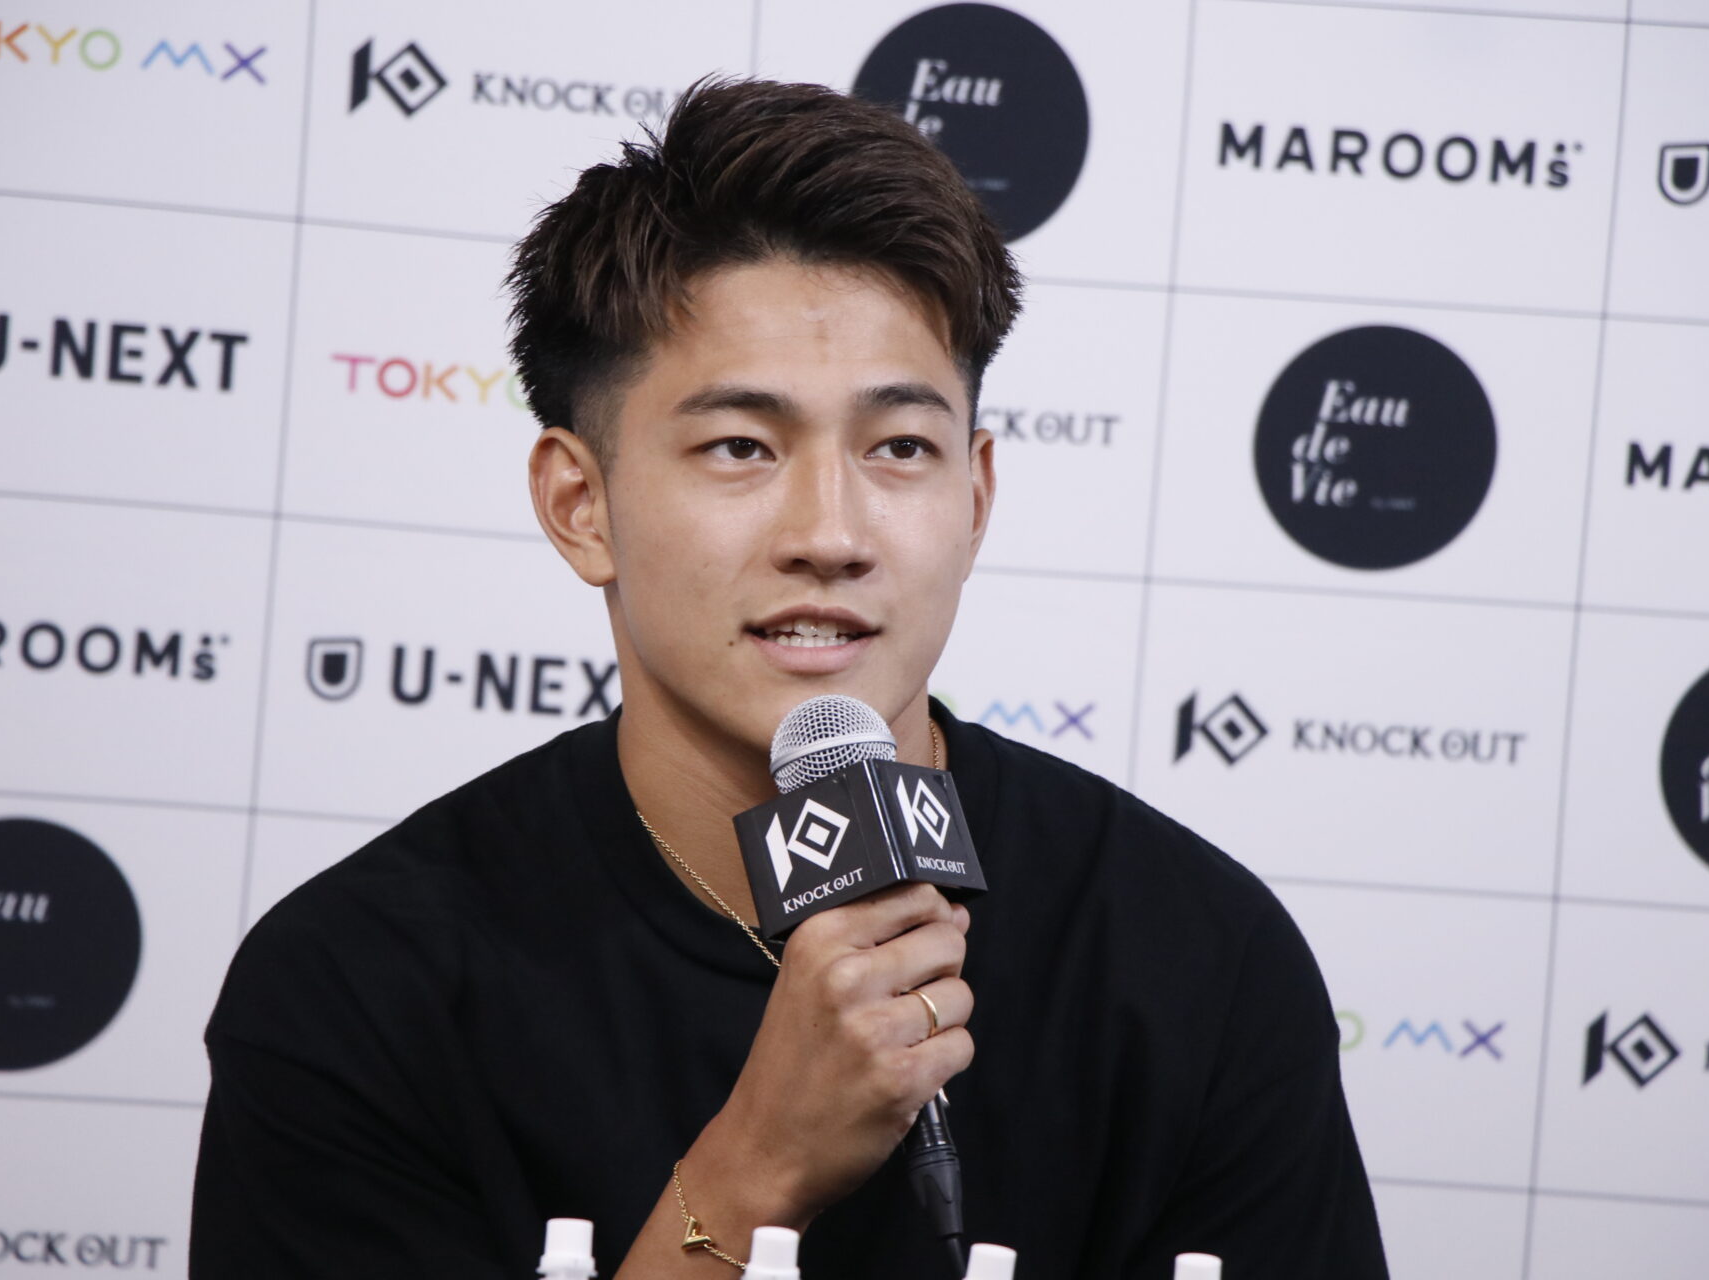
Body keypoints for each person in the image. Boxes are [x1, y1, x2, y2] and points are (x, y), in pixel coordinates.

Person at [190, 78, 1387, 1279]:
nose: (832, 533)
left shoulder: (1199, 957)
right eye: (742, 446)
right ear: (580, 503)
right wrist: (755, 1165)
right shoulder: (355, 984)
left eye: (900, 447)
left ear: (975, 499)